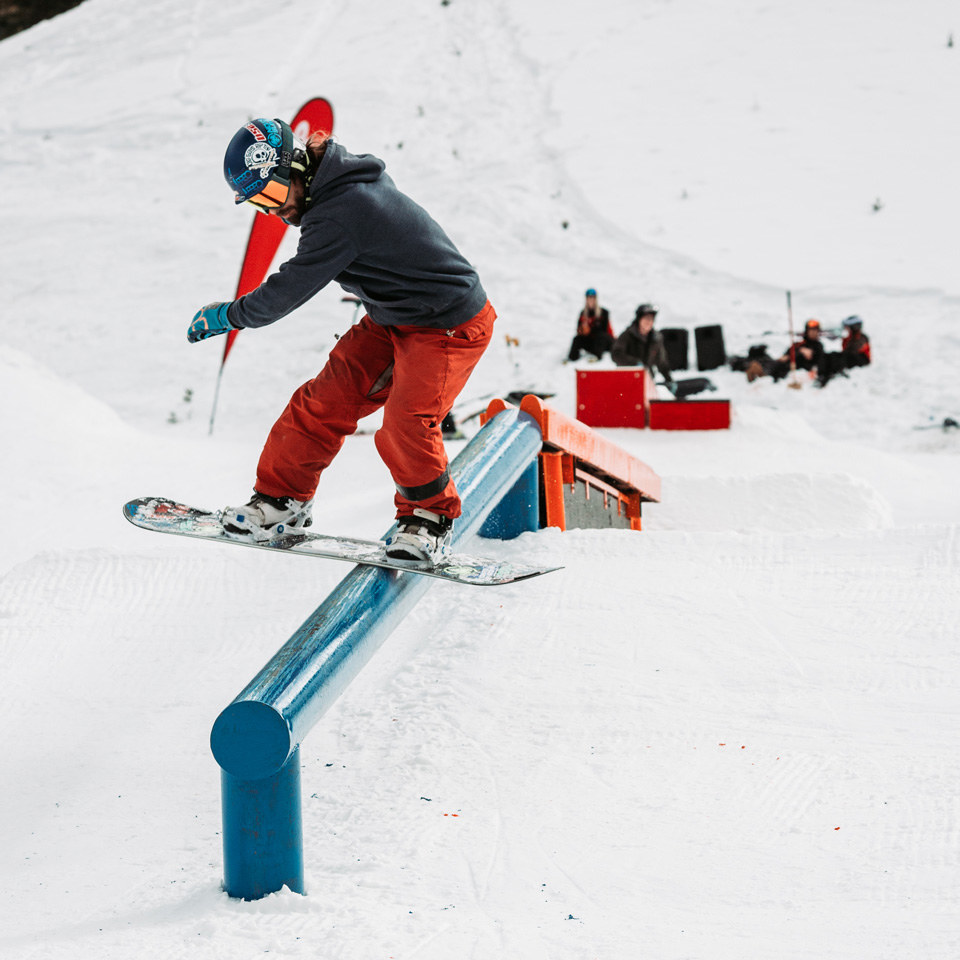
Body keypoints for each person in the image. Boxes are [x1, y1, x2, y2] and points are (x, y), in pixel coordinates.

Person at [187, 118, 495, 562]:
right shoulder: (333, 192)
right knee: (322, 401)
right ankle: (280, 501)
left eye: (272, 195)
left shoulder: (341, 209)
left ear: (295, 168)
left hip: (448, 325)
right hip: (394, 320)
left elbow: (285, 293)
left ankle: (428, 517)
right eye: (259, 204)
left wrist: (227, 315)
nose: (274, 212)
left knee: (407, 422)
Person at [611, 304, 673, 383]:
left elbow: (661, 362)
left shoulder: (656, 338)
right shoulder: (627, 335)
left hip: (647, 380)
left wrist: (669, 380)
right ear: (639, 319)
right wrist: (635, 363)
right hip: (627, 378)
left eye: (651, 319)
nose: (649, 322)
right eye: (646, 318)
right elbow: (616, 355)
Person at [567, 288, 613, 361]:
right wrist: (581, 330)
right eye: (589, 297)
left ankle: (597, 357)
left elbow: (604, 329)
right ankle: (572, 358)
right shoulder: (583, 314)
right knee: (577, 339)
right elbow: (578, 328)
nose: (591, 299)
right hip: (591, 341)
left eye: (593, 297)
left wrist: (590, 329)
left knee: (601, 336)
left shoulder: (603, 312)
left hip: (604, 342)